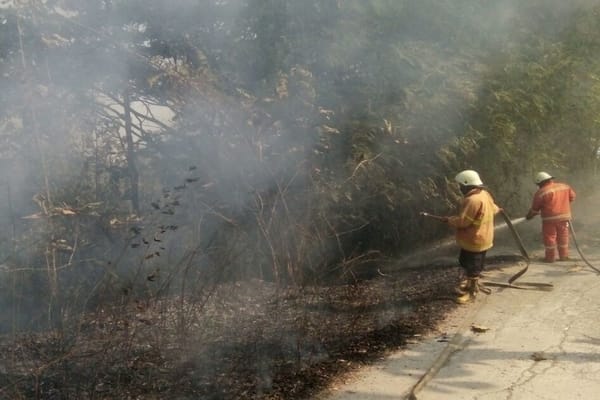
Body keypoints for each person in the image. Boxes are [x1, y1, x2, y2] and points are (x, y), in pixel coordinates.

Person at [442, 170, 501, 304]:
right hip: (482, 238)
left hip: (474, 240)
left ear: (467, 184)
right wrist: (498, 209)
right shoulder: (484, 194)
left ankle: (471, 293)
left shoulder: (471, 200)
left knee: (473, 267)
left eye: (461, 186)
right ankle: (469, 284)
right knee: (467, 263)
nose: (460, 188)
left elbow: (463, 222)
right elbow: (494, 208)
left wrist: (449, 220)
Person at [525, 171, 576, 263]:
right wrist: (562, 204)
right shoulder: (564, 186)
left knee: (550, 238)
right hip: (564, 217)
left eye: (539, 184)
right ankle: (563, 256)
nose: (538, 186)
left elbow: (534, 210)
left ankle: (550, 258)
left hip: (549, 220)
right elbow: (572, 197)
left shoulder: (541, 192)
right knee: (563, 236)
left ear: (541, 182)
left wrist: (528, 217)